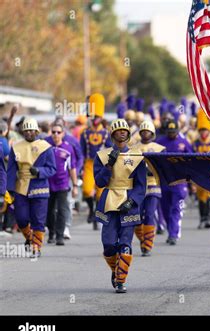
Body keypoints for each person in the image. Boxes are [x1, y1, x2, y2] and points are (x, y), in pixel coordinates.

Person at [94, 119, 147, 293]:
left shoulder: (137, 156)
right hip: (109, 200)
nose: (122, 133)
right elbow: (100, 182)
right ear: (112, 134)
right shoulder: (101, 156)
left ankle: (120, 280)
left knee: (125, 243)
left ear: (129, 134)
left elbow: (141, 184)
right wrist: (109, 165)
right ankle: (115, 270)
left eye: (125, 130)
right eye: (119, 131)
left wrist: (132, 201)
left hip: (129, 202)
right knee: (108, 244)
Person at [7, 118, 57, 257]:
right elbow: (11, 169)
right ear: (23, 132)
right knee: (21, 218)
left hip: (39, 187)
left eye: (31, 130)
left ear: (36, 131)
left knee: (38, 220)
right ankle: (29, 237)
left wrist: (40, 171)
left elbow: (52, 168)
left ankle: (36, 246)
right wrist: (9, 189)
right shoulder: (16, 146)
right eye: (26, 130)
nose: (29, 133)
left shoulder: (46, 147)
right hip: (21, 186)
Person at [132, 120, 165, 256]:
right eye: (143, 131)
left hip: (153, 186)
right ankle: (142, 239)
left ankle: (147, 245)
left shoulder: (159, 148)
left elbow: (163, 166)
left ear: (152, 133)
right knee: (137, 216)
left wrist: (154, 170)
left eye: (148, 131)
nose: (145, 133)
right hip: (138, 186)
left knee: (150, 214)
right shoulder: (134, 148)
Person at [157, 120, 193, 245]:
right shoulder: (160, 143)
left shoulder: (184, 143)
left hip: (180, 182)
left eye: (174, 131)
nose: (172, 134)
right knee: (165, 208)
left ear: (178, 131)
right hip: (164, 181)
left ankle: (174, 234)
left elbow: (192, 162)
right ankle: (170, 229)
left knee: (175, 208)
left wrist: (191, 182)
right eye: (169, 131)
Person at [80, 93, 112, 230]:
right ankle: (91, 209)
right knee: (87, 190)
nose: (95, 119)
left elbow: (111, 150)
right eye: (93, 116)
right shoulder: (84, 133)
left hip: (102, 165)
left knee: (100, 193)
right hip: (88, 164)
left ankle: (96, 213)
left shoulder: (106, 133)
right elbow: (81, 150)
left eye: (97, 116)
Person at [46, 123, 78, 245]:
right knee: (49, 211)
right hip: (48, 184)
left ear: (63, 134)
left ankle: (59, 236)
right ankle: (51, 233)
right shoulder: (47, 147)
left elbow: (72, 167)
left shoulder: (68, 148)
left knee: (62, 210)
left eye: (58, 132)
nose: (56, 134)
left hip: (62, 184)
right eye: (53, 132)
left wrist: (75, 186)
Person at [193, 111, 210, 229]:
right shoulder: (195, 143)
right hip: (199, 173)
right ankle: (202, 218)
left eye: (205, 130)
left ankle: (209, 218)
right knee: (201, 197)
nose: (203, 132)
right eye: (201, 130)